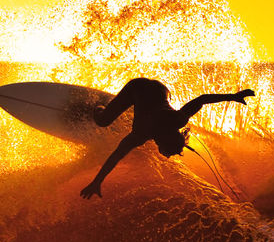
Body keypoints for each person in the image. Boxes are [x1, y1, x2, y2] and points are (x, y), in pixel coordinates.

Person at [80, 78, 255, 199]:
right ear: (163, 140)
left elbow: (202, 99)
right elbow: (115, 156)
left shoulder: (178, 119)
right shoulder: (141, 133)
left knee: (149, 108)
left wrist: (233, 96)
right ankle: (97, 107)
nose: (160, 150)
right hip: (138, 87)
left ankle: (124, 107)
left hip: (161, 89)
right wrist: (96, 182)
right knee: (103, 122)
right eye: (162, 148)